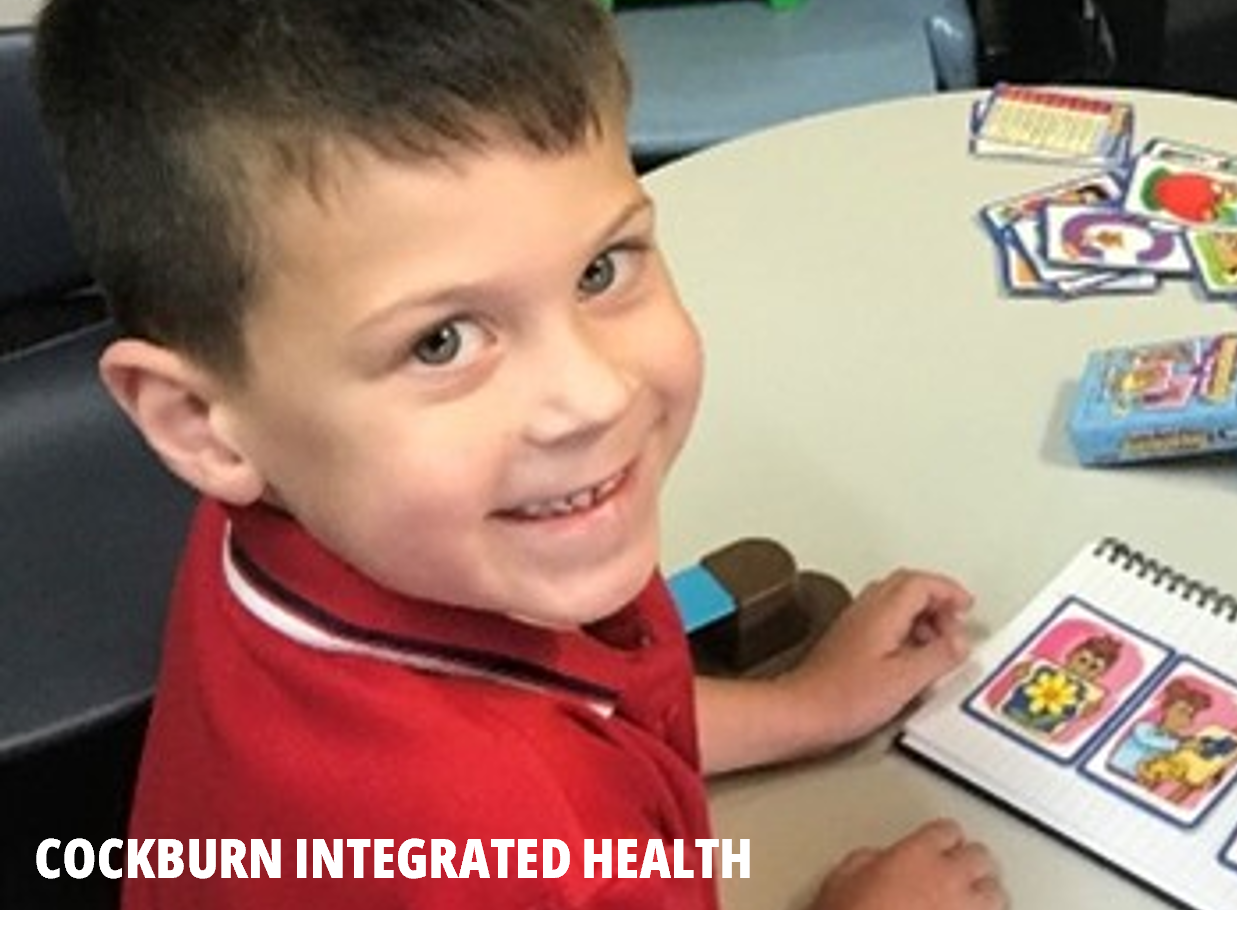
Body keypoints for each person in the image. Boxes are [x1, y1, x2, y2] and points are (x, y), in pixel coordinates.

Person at [31, 0, 1004, 910]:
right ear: (201, 421)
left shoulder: (301, 501)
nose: (594, 394)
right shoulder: (520, 858)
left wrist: (804, 706)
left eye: (599, 268)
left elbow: (599, 702)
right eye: (441, 340)